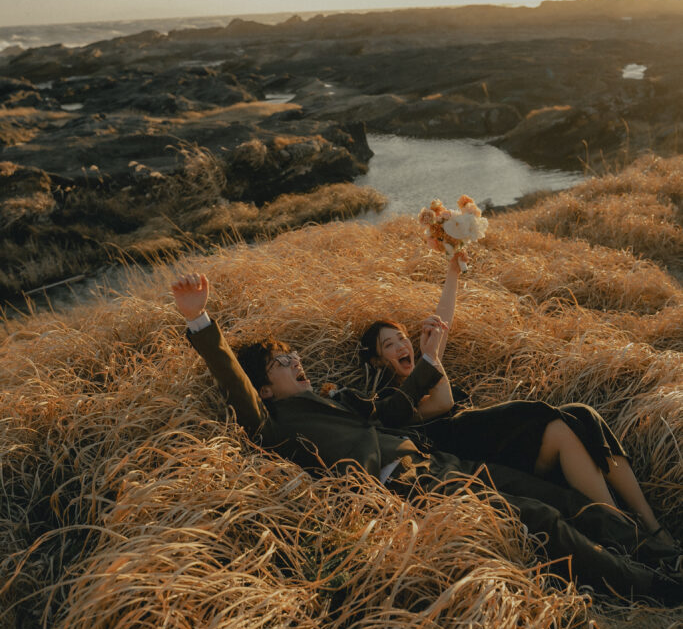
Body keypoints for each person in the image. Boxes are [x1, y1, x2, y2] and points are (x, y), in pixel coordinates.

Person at [172, 271, 683, 605]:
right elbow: (229, 374)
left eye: (295, 356)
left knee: (557, 498)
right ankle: (653, 588)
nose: (296, 362)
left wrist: (430, 362)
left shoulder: (336, 399)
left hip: (439, 460)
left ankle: (656, 551)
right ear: (264, 385)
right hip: (407, 486)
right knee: (540, 519)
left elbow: (390, 410)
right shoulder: (271, 424)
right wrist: (199, 317)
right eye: (284, 362)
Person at [359, 250, 679, 554]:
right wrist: (431, 354)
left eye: (402, 337)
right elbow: (442, 404)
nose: (402, 345)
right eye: (390, 344)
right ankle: (626, 531)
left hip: (500, 440)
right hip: (482, 454)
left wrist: (453, 272)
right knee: (549, 421)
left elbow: (443, 321)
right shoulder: (391, 400)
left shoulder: (428, 368)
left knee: (581, 414)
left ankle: (651, 525)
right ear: (376, 361)